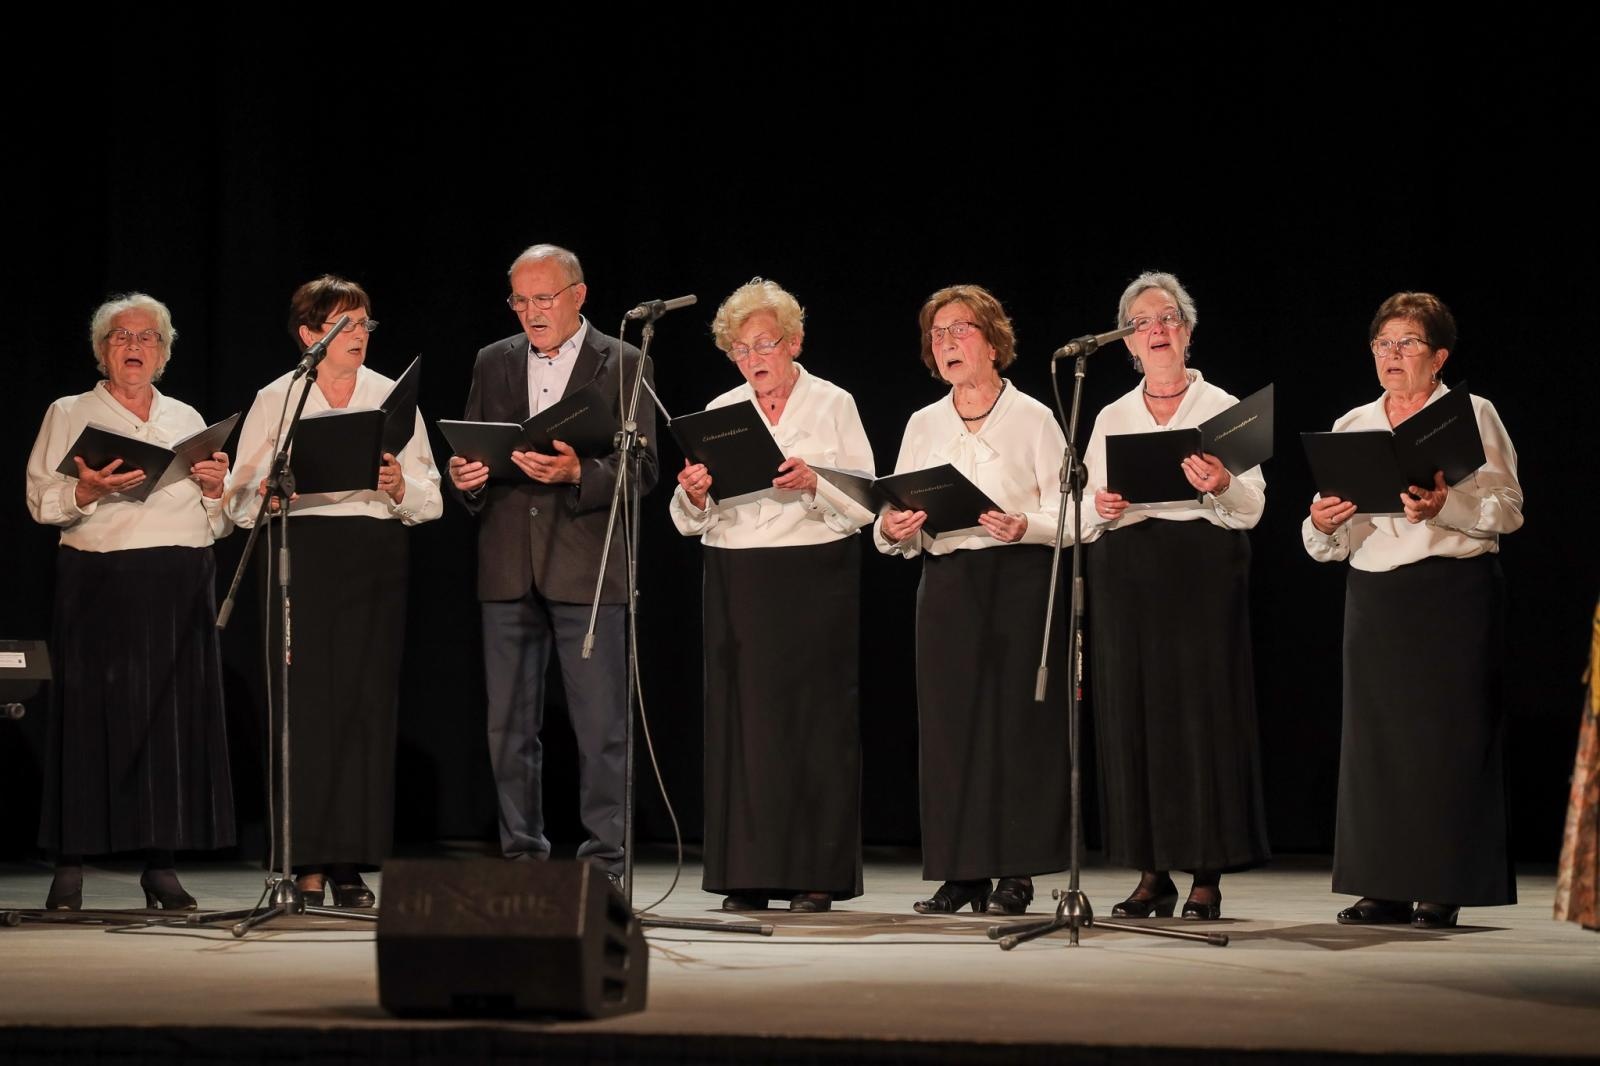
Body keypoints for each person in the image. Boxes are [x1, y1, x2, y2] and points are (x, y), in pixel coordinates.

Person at [1304, 291, 1522, 929]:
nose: (1392, 354)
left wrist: (1446, 506)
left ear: (1439, 356)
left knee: (1445, 741)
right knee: (1378, 746)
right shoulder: (1353, 424)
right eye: (1383, 343)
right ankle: (1383, 885)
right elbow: (1336, 539)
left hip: (1453, 593)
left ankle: (1441, 884)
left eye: (1407, 342)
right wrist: (1322, 523)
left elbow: (1508, 508)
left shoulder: (1472, 413)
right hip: (1377, 598)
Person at [226, 275, 442, 907]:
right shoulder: (279, 397)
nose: (359, 335)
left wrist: (400, 485)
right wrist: (269, 494)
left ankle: (349, 862)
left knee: (362, 705)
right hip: (301, 553)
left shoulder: (391, 396)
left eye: (364, 323)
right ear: (309, 336)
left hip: (373, 554)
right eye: (344, 325)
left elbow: (430, 497)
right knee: (303, 707)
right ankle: (305, 863)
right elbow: (238, 500)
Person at [447, 244, 657, 887]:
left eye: (544, 298)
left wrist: (577, 473)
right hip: (507, 565)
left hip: (587, 567)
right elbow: (475, 451)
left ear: (578, 295)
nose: (531, 312)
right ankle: (522, 860)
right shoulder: (493, 360)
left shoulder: (624, 360)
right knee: (508, 727)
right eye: (520, 300)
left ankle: (605, 865)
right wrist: (467, 478)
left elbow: (644, 469)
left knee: (601, 727)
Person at [26, 293, 235, 910]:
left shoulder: (185, 416)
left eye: (148, 337)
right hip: (100, 575)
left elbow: (220, 520)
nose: (135, 345)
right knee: (88, 717)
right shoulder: (70, 411)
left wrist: (217, 488)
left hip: (182, 576)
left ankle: (160, 864)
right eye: (121, 336)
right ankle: (71, 864)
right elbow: (41, 500)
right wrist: (86, 491)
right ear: (102, 350)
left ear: (163, 353)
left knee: (168, 723)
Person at [670, 278, 873, 913]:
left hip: (813, 574)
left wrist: (815, 482)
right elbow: (690, 518)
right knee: (746, 727)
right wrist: (694, 493)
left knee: (813, 723)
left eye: (764, 344)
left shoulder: (833, 402)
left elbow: (866, 502)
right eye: (740, 348)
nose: (753, 357)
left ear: (794, 342)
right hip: (738, 576)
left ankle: (816, 873)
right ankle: (748, 873)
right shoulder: (722, 408)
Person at [876, 284, 1071, 916]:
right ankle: (961, 873)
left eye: (960, 329)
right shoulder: (923, 423)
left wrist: (1026, 524)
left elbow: (1073, 514)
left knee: (1014, 729)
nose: (947, 342)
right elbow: (895, 512)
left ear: (992, 341)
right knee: (950, 728)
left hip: (1018, 578)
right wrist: (894, 528)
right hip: (948, 583)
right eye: (937, 334)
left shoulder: (1034, 417)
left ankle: (1016, 871)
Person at [1083, 271, 1271, 921]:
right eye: (1140, 323)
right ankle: (1151, 872)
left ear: (1187, 332)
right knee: (1135, 716)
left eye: (1166, 318)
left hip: (1201, 571)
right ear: (1128, 343)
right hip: (1127, 573)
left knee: (1200, 718)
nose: (1155, 330)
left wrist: (1220, 482)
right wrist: (1103, 506)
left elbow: (1253, 507)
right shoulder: (1111, 415)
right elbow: (1087, 506)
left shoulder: (1224, 408)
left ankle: (1206, 874)